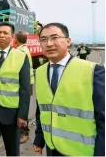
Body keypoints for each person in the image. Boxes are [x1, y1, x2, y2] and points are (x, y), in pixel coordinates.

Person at [33, 23, 105, 156]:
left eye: (54, 37)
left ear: (68, 41)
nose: (48, 43)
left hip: (82, 151)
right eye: (43, 39)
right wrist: (39, 138)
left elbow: (103, 119)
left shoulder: (93, 71)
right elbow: (42, 109)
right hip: (52, 147)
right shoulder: (39, 72)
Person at [0, 22, 31, 156]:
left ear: (12, 37)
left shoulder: (21, 56)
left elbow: (24, 88)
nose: (1, 35)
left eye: (5, 33)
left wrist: (22, 115)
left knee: (12, 151)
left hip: (11, 114)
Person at [15, 31, 34, 144]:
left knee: (22, 108)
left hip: (24, 84)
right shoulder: (25, 49)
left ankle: (24, 132)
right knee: (23, 106)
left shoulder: (20, 51)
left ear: (16, 39)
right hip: (29, 83)